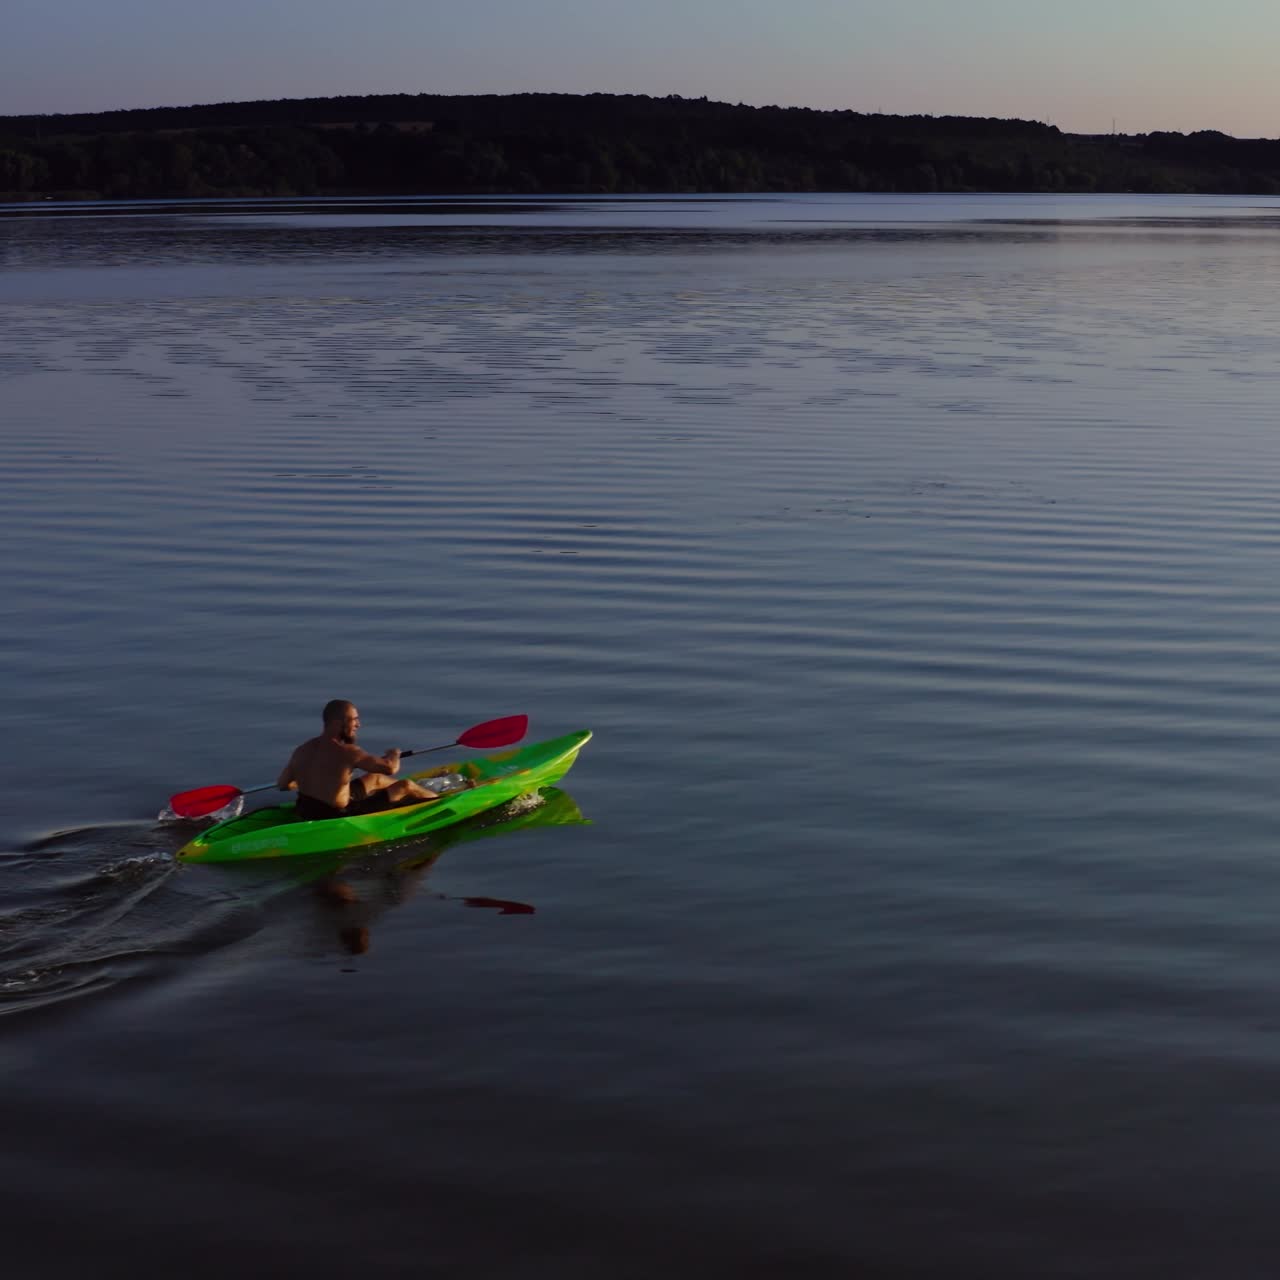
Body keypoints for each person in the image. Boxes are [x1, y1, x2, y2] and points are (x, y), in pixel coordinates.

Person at [277, 699, 438, 821]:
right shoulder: (348, 752)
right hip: (336, 816)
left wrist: (315, 780)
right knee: (405, 785)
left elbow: (283, 785)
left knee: (375, 778)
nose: (358, 724)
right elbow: (390, 768)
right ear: (337, 723)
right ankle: (441, 803)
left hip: (306, 809)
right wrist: (394, 754)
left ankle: (419, 792)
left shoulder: (301, 750)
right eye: (354, 719)